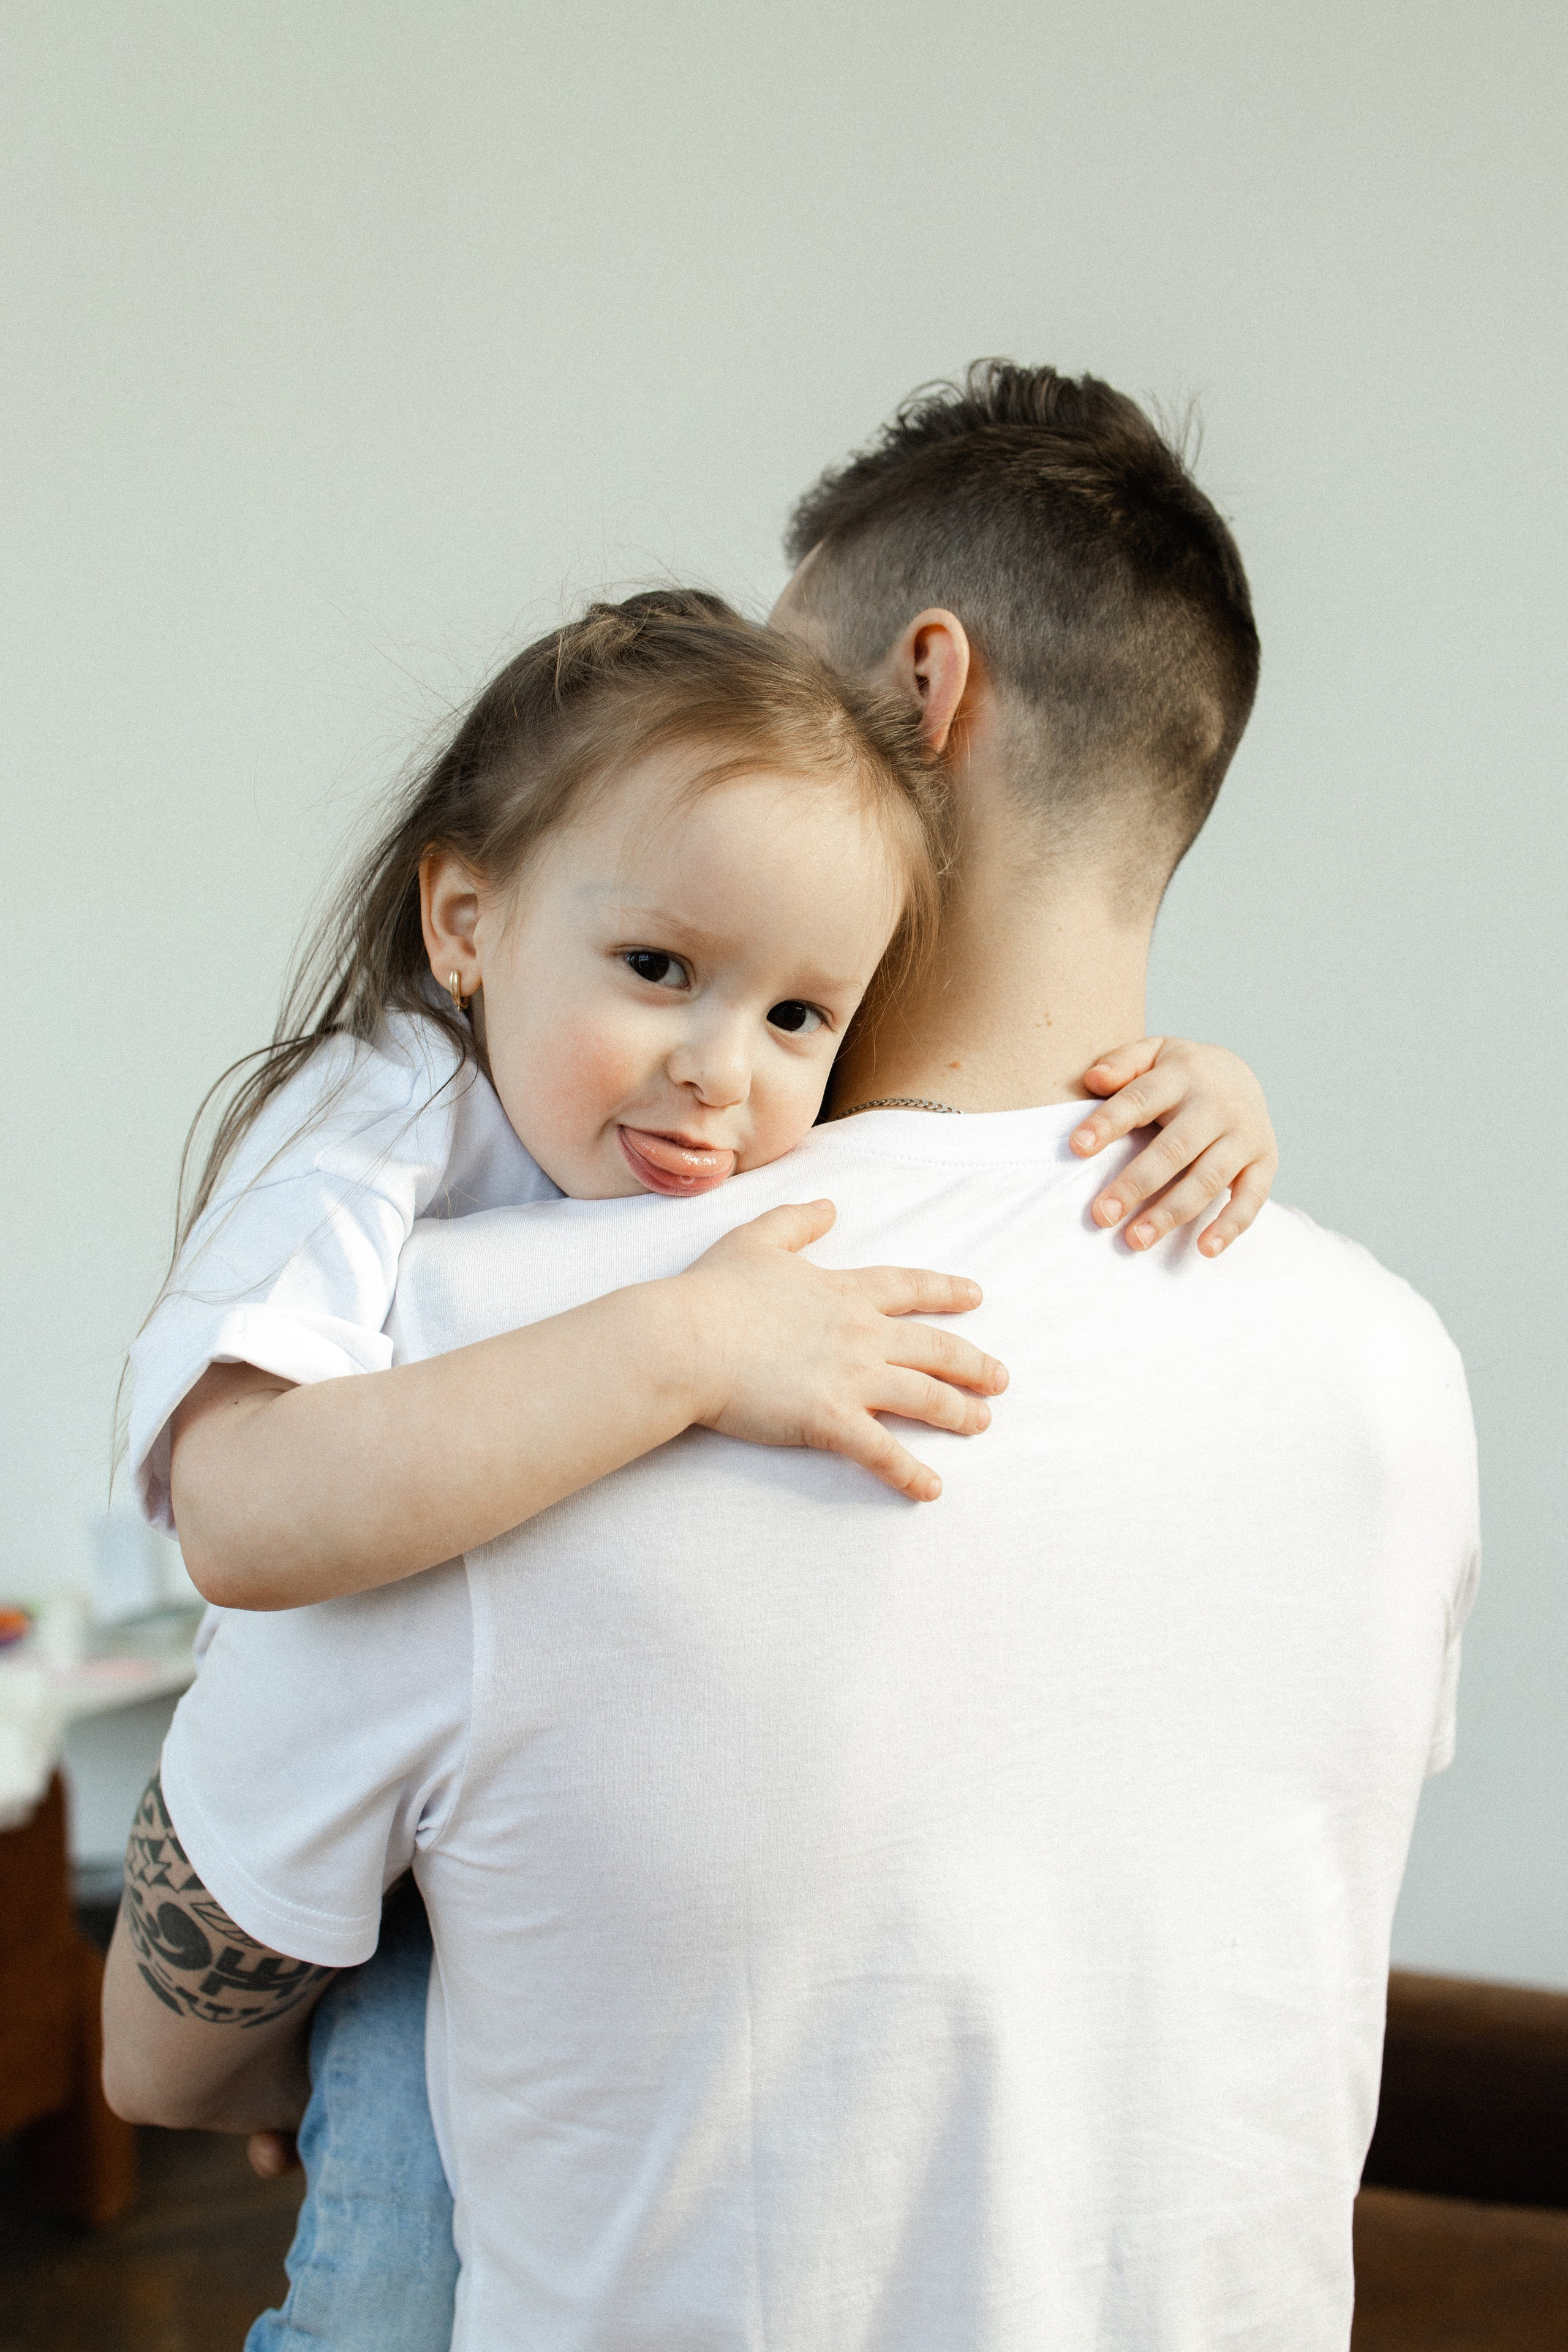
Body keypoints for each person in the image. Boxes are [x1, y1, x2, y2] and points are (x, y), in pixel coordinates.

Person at [103, 364, 1477, 2349]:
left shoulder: (505, 1354)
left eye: (784, 669)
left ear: (924, 698)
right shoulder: (1387, 1365)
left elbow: (159, 2053)